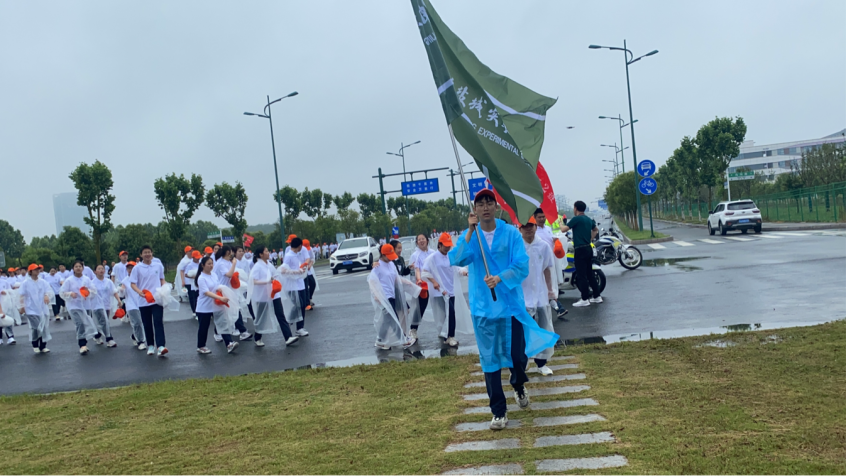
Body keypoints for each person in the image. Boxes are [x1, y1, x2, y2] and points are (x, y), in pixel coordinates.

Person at [448, 189, 559, 431]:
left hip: (510, 306)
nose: (485, 207)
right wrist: (469, 231)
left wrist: (499, 278)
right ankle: (498, 411)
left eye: (489, 202)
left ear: (496, 207)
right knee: (489, 360)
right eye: (480, 203)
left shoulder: (510, 233)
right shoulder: (471, 236)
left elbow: (521, 264)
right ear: (475, 210)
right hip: (483, 308)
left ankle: (518, 384)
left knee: (517, 357)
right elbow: (456, 259)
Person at [519, 217, 557, 376]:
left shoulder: (543, 246)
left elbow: (547, 269)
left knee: (542, 328)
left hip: (540, 294)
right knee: (522, 332)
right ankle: (522, 363)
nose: (528, 229)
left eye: (531, 226)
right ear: (520, 229)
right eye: (525, 226)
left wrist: (550, 290)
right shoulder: (517, 247)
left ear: (536, 227)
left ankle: (542, 364)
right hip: (522, 295)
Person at [367, 244, 419, 350]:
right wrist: (376, 295)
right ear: (382, 254)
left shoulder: (391, 264)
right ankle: (403, 339)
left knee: (388, 319)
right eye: (388, 256)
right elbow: (372, 281)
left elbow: (396, 278)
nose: (390, 258)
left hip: (392, 295)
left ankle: (380, 340)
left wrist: (407, 283)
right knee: (394, 318)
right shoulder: (377, 266)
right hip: (384, 296)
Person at [248, 246, 299, 347]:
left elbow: (275, 274)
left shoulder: (269, 264)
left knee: (280, 315)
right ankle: (257, 337)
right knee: (262, 317)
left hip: (274, 294)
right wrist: (266, 282)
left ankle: (288, 337)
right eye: (266, 251)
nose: (268, 252)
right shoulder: (257, 266)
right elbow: (253, 281)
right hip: (263, 296)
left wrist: (275, 279)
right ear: (261, 254)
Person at [559, 201, 601, 307]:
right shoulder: (588, 219)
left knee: (581, 275)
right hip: (588, 248)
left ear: (576, 208)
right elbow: (595, 229)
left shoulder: (576, 219)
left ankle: (584, 299)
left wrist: (560, 224)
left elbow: (563, 230)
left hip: (580, 249)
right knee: (590, 274)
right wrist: (590, 239)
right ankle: (597, 296)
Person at [421, 233, 460, 347]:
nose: (448, 248)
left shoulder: (450, 256)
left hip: (450, 290)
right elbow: (424, 272)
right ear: (439, 245)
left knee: (448, 314)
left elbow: (456, 268)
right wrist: (434, 281)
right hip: (440, 291)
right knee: (449, 313)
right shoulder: (432, 258)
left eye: (449, 246)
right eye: (445, 245)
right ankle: (450, 336)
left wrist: (464, 272)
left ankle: (445, 334)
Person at [129, 245, 169, 357]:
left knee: (158, 321)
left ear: (152, 253)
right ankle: (150, 345)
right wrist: (139, 292)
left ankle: (161, 346)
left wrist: (165, 288)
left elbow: (162, 279)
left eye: (149, 252)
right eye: (145, 252)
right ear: (141, 255)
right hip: (144, 300)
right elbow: (133, 283)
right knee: (147, 324)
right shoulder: (137, 268)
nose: (147, 254)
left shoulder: (158, 266)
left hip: (157, 299)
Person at [195, 256, 238, 354]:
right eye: (208, 264)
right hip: (204, 307)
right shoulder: (201, 278)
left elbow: (217, 286)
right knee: (204, 327)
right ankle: (201, 346)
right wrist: (220, 298)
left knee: (222, 323)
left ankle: (229, 343)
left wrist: (223, 292)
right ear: (203, 265)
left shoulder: (214, 275)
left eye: (212, 263)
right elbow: (206, 292)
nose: (211, 265)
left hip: (216, 304)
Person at [60, 260, 101, 355]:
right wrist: (70, 294)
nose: (78, 268)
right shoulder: (69, 280)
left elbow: (94, 291)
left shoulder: (86, 279)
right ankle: (82, 344)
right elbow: (62, 292)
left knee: (87, 322)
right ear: (73, 269)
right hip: (73, 305)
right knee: (80, 323)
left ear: (83, 268)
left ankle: (95, 334)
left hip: (85, 305)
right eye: (76, 266)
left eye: (80, 266)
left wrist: (88, 291)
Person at [212, 245, 252, 342]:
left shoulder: (227, 262)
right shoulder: (221, 263)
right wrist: (234, 264)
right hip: (222, 290)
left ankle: (241, 331)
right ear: (227, 252)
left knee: (234, 309)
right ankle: (219, 332)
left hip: (230, 289)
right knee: (225, 312)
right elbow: (229, 274)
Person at [18, 264, 52, 353]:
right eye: (35, 269)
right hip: (31, 308)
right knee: (36, 327)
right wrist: (22, 306)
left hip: (42, 308)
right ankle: (35, 344)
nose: (37, 271)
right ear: (30, 271)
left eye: (38, 269)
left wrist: (46, 295)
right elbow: (21, 295)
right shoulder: (25, 283)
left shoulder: (43, 282)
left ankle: (43, 345)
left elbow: (48, 291)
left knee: (44, 327)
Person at [408, 233, 435, 341]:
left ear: (427, 240)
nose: (421, 241)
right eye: (419, 240)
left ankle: (443, 329)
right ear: (416, 242)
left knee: (440, 306)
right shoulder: (415, 255)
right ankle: (413, 329)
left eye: (423, 239)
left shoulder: (433, 253)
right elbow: (415, 270)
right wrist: (417, 281)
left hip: (434, 283)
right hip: (423, 284)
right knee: (420, 307)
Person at [281, 238, 309, 336]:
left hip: (300, 283)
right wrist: (296, 272)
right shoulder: (289, 255)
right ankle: (292, 322)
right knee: (298, 305)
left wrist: (301, 269)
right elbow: (283, 270)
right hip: (292, 286)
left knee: (302, 305)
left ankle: (299, 327)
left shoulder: (296, 255)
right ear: (300, 246)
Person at [90, 264, 120, 347]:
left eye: (102, 269)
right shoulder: (92, 283)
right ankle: (109, 339)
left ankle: (97, 335)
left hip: (106, 305)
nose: (101, 270)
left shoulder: (108, 281)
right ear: (95, 271)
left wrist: (118, 300)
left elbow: (114, 291)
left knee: (103, 322)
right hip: (96, 305)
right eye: (99, 269)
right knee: (104, 321)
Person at [121, 261, 147, 350]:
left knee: (142, 322)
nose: (130, 270)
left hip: (142, 303)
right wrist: (121, 290)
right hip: (131, 305)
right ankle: (141, 341)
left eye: (132, 268)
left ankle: (134, 335)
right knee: (137, 322)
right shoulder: (125, 281)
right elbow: (122, 294)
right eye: (129, 268)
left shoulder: (141, 278)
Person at [184, 250, 201, 316]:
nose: (198, 259)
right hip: (193, 284)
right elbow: (186, 274)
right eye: (196, 258)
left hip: (200, 282)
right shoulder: (190, 265)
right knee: (195, 298)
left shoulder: (200, 263)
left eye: (198, 257)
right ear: (193, 257)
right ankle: (196, 311)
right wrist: (193, 277)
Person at [302, 239, 317, 310]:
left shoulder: (310, 249)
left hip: (308, 270)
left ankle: (309, 298)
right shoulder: (299, 251)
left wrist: (310, 265)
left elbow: (312, 258)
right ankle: (306, 302)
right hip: (302, 271)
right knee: (305, 286)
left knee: (313, 284)